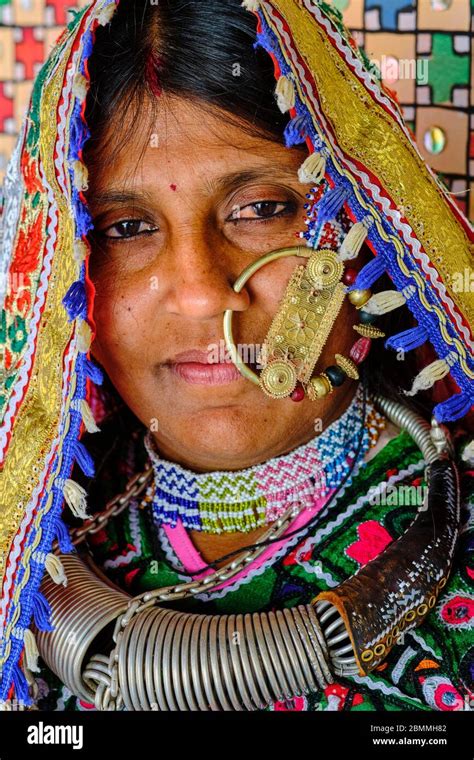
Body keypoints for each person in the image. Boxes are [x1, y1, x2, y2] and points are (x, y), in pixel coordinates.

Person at [0, 0, 472, 713]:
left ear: (367, 226)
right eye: (125, 227)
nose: (199, 295)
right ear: (65, 268)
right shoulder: (33, 563)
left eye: (262, 209)